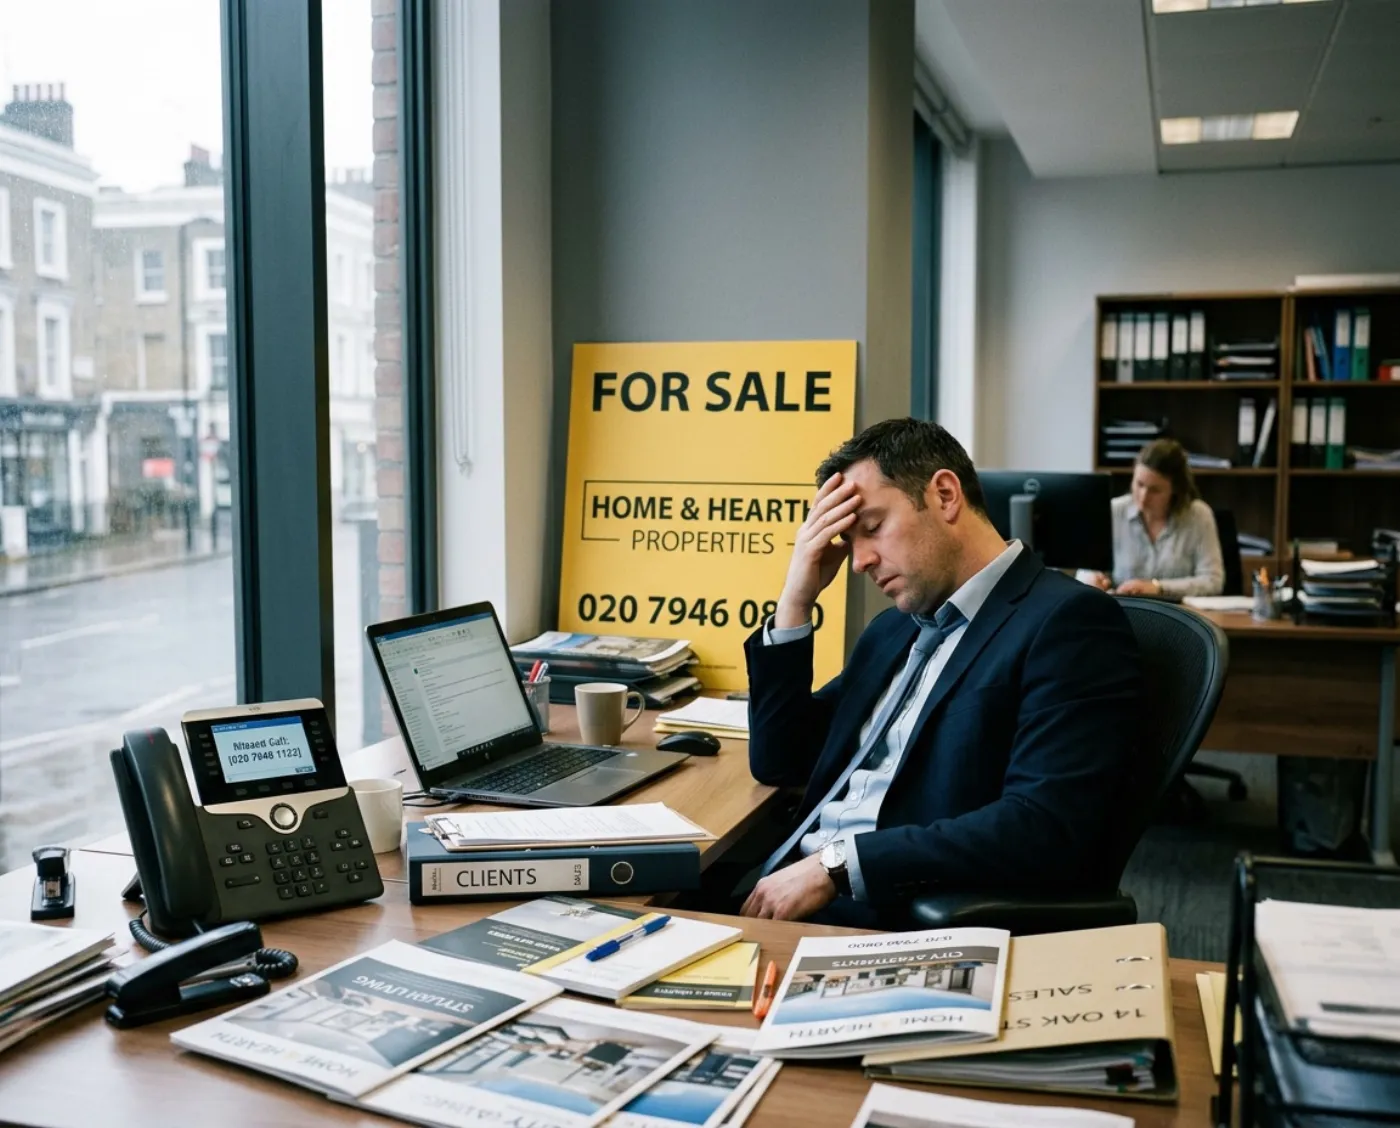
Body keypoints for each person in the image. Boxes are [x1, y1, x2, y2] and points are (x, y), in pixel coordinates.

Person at [739, 418, 1143, 927]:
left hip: (882, 914)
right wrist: (796, 600)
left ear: (946, 496)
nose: (859, 561)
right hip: (782, 884)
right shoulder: (894, 629)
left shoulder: (1067, 623)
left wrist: (837, 866)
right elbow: (780, 761)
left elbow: (1042, 823)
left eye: (872, 528)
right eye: (848, 539)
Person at [1081, 438, 1224, 598]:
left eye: (1155, 490)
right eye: (1139, 484)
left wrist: (1158, 587)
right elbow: (1084, 571)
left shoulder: (1198, 516)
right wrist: (1091, 579)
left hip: (1177, 611)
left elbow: (1212, 580)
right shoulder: (1113, 511)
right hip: (1123, 609)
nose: (1143, 497)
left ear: (1175, 489)